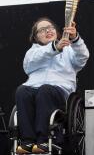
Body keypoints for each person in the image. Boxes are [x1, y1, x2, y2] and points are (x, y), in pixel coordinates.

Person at [15, 17, 89, 154]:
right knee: (22, 91)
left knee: (45, 90)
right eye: (42, 30)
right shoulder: (32, 52)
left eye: (50, 27)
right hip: (34, 90)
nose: (48, 30)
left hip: (59, 92)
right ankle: (27, 141)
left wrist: (75, 39)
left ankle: (43, 139)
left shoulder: (69, 50)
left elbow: (82, 57)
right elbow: (30, 64)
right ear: (36, 37)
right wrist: (55, 47)